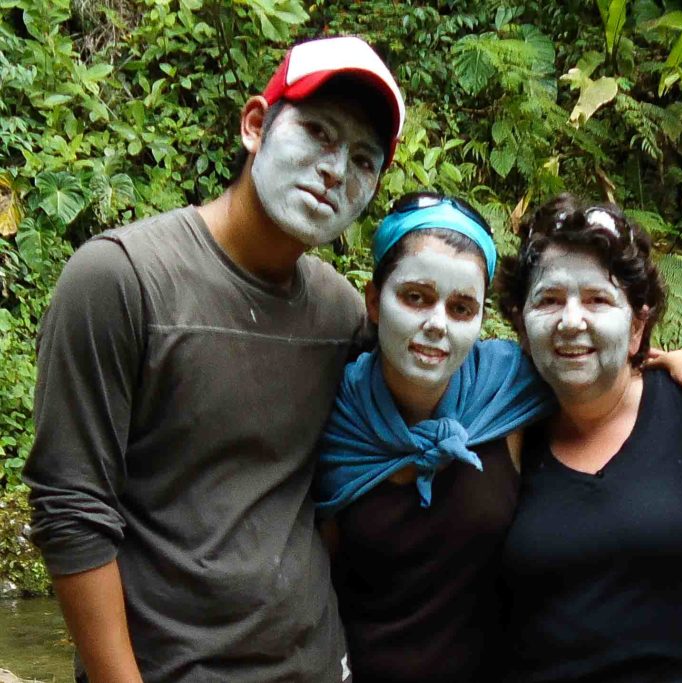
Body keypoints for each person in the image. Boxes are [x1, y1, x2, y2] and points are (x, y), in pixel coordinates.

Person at [23, 36, 405, 682]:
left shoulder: (341, 314)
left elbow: (415, 417)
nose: (335, 169)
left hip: (315, 663)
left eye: (363, 160)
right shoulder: (123, 279)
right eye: (317, 132)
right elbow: (71, 508)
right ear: (255, 125)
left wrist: (624, 383)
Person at [314, 192, 682, 683]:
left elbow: (588, 357)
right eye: (415, 297)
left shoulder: (503, 393)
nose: (436, 324)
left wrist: (657, 358)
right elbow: (315, 580)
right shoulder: (330, 415)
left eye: (460, 307)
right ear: (374, 299)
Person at [496, 193, 682, 683]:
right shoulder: (503, 428)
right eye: (549, 300)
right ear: (521, 322)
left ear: (637, 324)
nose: (571, 320)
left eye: (599, 299)